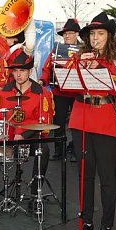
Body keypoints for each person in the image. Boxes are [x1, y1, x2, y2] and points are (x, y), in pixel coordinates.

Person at [65, 12, 116, 230]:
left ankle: (107, 224)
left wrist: (101, 68)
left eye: (100, 33)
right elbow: (65, 86)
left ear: (109, 36)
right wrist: (80, 66)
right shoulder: (80, 56)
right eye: (92, 34)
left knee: (106, 176)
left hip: (106, 118)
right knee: (85, 175)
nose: (95, 38)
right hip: (81, 117)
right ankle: (86, 221)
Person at [0, 49, 55, 179]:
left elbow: (45, 122)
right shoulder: (2, 92)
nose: (18, 75)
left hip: (30, 136)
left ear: (29, 72)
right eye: (15, 71)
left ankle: (36, 190)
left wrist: (22, 135)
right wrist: (2, 133)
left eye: (22, 71)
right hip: (6, 135)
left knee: (44, 149)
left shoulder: (42, 93)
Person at [41, 18, 82, 162]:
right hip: (60, 92)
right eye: (65, 34)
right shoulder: (57, 49)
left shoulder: (84, 50)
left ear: (77, 34)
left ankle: (77, 150)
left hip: (78, 93)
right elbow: (47, 66)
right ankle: (59, 151)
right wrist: (43, 80)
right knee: (58, 122)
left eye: (70, 33)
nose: (67, 36)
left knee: (78, 124)